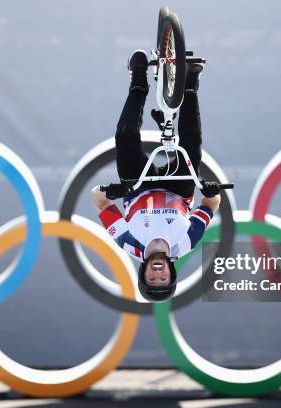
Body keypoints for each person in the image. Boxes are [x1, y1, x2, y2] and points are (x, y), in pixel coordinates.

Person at [91, 49, 221, 302]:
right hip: (177, 188)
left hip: (138, 186)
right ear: (172, 273)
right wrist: (212, 192)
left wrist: (112, 192)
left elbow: (97, 199)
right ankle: (191, 82)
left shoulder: (128, 242)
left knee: (125, 136)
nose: (158, 275)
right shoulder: (185, 242)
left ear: (144, 273)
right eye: (163, 280)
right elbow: (211, 205)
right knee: (192, 149)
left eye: (152, 280)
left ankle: (138, 80)